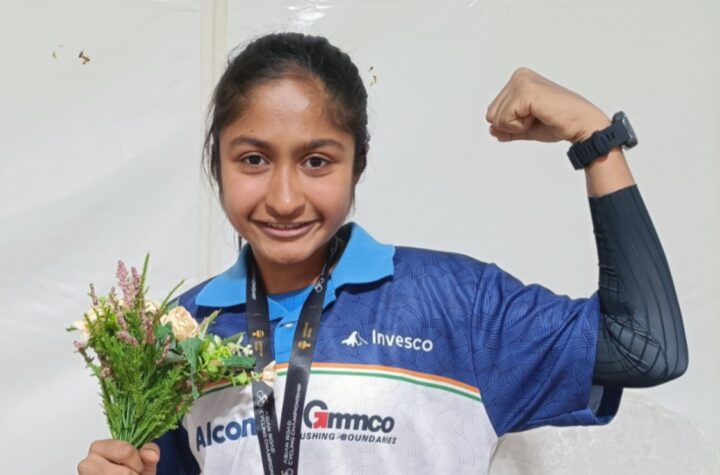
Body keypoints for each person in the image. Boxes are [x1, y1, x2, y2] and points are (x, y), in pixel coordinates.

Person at [77, 32, 688, 475]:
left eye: (317, 161)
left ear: (358, 165)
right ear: (218, 165)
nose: (284, 198)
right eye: (254, 159)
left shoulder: (456, 304)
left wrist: (595, 138)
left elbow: (646, 347)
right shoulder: (176, 332)